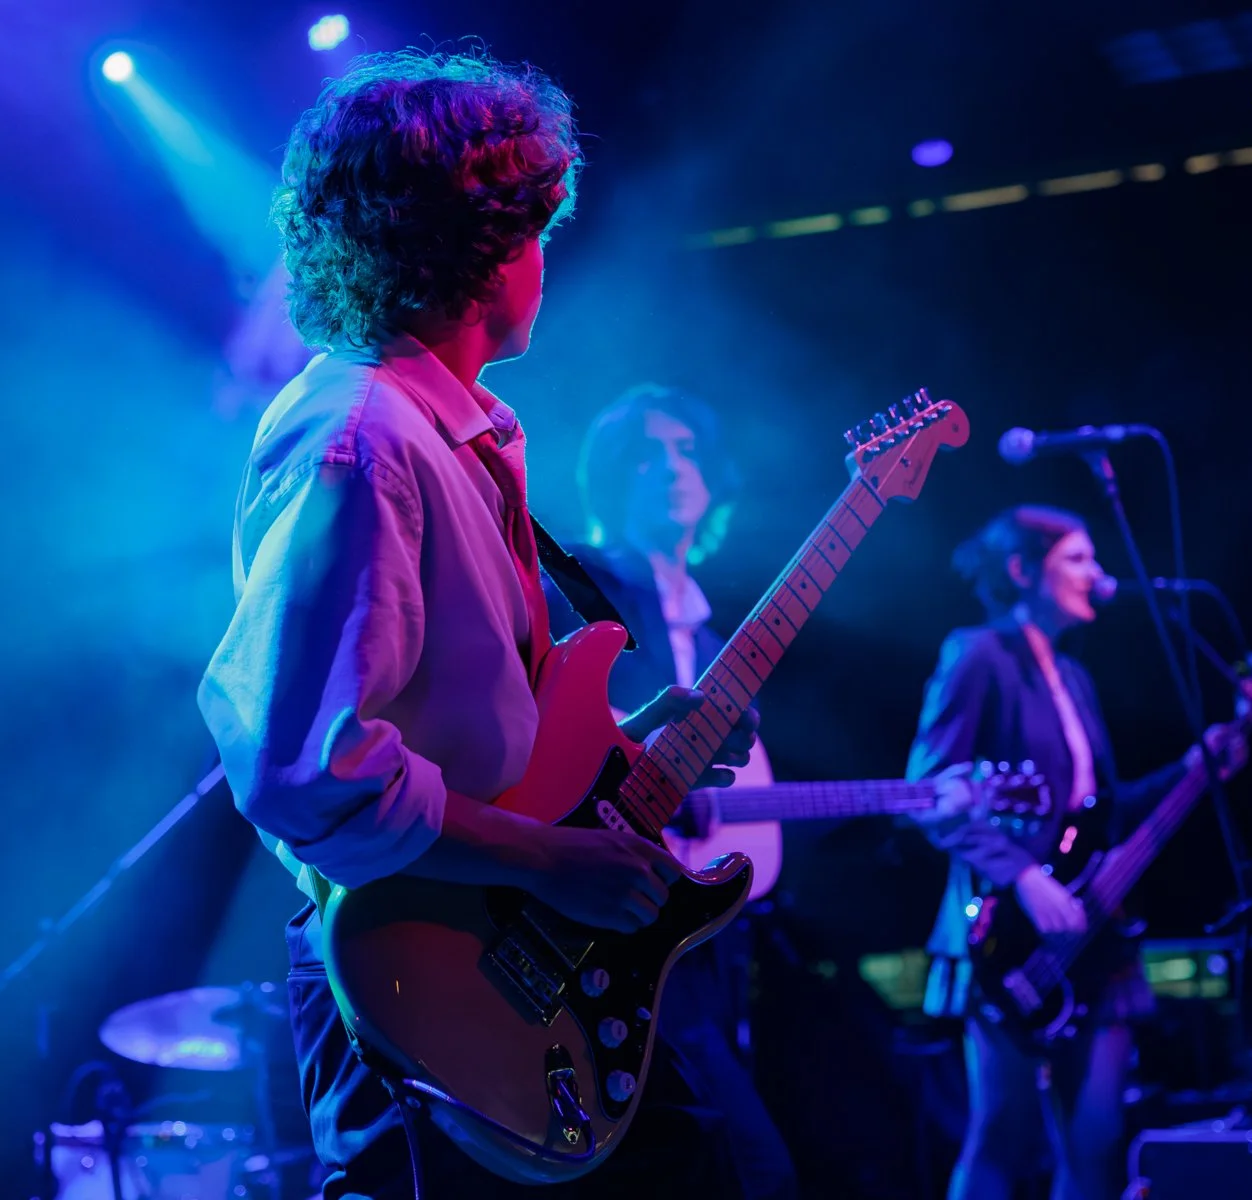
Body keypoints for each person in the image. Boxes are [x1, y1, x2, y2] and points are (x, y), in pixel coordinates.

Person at [195, 50, 760, 1199]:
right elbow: (312, 776)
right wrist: (554, 861)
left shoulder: (451, 429)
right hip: (428, 987)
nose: (547, 260)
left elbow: (461, 726)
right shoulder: (363, 443)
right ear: (477, 241)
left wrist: (624, 740)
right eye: (535, 228)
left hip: (499, 957)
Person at [906, 505, 1246, 1200]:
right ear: (1022, 570)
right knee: (1004, 1134)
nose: (1099, 575)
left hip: (1094, 933)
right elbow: (928, 792)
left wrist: (1194, 766)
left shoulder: (1075, 677)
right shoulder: (977, 654)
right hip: (1003, 929)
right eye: (1079, 559)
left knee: (1096, 1144)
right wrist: (1023, 875)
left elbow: (1101, 812)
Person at [543, 383, 797, 1199]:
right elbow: (537, 723)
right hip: (595, 919)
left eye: (687, 452)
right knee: (751, 1172)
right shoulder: (578, 591)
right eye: (647, 454)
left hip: (695, 942)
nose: (671, 469)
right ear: (610, 477)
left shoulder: (715, 633)